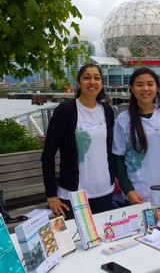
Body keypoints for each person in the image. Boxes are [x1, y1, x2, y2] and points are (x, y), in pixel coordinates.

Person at [41, 63, 115, 219]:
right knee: (76, 241)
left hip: (105, 191)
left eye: (97, 78)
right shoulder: (66, 110)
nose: (92, 82)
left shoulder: (107, 111)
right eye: (87, 77)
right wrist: (51, 196)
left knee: (105, 240)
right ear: (79, 82)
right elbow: (48, 154)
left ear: (101, 83)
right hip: (74, 195)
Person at [112, 67, 160, 205]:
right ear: (132, 89)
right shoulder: (123, 119)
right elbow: (118, 159)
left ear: (156, 87)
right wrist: (128, 190)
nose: (145, 88)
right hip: (136, 195)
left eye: (150, 84)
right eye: (139, 85)